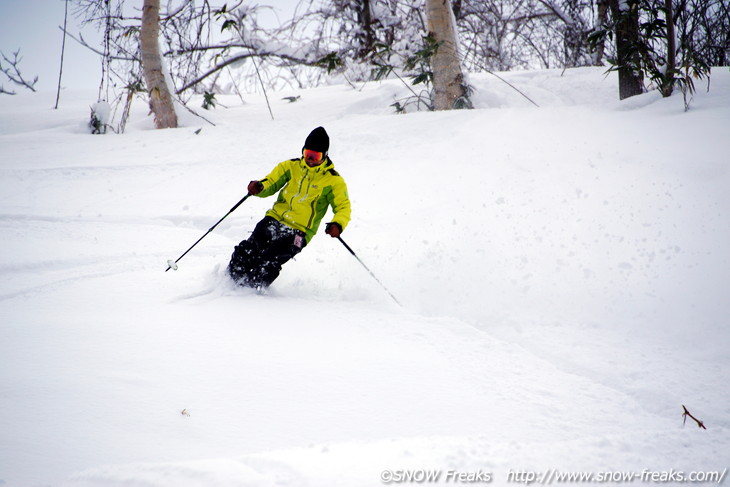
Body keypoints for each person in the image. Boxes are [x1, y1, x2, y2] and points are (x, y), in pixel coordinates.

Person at [227, 126, 351, 289]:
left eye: (316, 156)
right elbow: (271, 182)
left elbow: (343, 207)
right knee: (248, 250)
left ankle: (252, 293)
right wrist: (260, 187)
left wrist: (338, 224)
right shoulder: (290, 167)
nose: (311, 159)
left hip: (299, 231)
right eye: (308, 154)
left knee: (269, 258)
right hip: (274, 219)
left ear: (325, 155)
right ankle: (228, 284)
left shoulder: (333, 181)